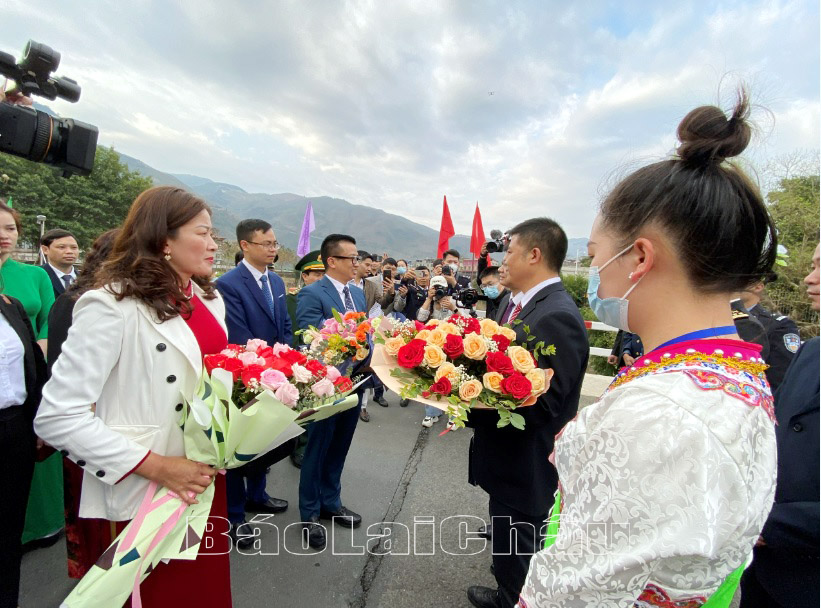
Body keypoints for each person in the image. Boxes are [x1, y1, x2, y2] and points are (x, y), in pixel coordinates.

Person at [519, 93, 778, 607]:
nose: (593, 274)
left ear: (638, 256)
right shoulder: (731, 370)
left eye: (594, 255)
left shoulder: (663, 413)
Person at [34, 186, 232, 605]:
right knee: (150, 595)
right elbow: (57, 416)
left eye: (214, 234)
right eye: (203, 232)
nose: (214, 244)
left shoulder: (210, 299)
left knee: (201, 592)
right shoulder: (110, 305)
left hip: (203, 482)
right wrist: (158, 466)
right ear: (164, 239)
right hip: (145, 484)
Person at [465, 218, 589, 608]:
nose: (501, 261)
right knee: (507, 535)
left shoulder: (555, 315)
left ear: (535, 255)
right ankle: (506, 586)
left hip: (526, 460)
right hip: (504, 455)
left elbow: (545, 405)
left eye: (510, 251)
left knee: (520, 546)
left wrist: (470, 404)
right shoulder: (511, 302)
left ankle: (512, 598)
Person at [739, 243, 819, 607]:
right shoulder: (811, 352)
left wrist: (771, 525)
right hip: (766, 576)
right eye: (813, 265)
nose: (809, 278)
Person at [44, 229, 119, 578]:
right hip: (88, 431)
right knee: (90, 516)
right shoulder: (75, 302)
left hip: (119, 430)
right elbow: (60, 370)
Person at [215, 219, 292, 548]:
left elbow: (284, 325)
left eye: (275, 244)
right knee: (239, 445)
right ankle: (233, 516)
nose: (274, 250)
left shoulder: (275, 282)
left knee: (265, 441)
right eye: (267, 244)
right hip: (246, 375)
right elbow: (239, 334)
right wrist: (264, 366)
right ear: (245, 246)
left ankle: (257, 495)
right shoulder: (229, 284)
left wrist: (287, 361)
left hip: (276, 371)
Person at [296, 234, 367, 550]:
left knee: (340, 445)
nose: (357, 263)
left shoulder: (358, 295)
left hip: (355, 383)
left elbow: (365, 334)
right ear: (332, 261)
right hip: (326, 386)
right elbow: (311, 339)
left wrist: (372, 353)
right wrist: (349, 349)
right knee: (319, 446)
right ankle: (309, 513)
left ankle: (331, 501)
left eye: (357, 257)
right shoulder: (312, 294)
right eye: (351, 258)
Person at [0, 199, 62, 549]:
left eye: (10, 228)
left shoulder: (33, 276)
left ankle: (38, 527)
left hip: (28, 380)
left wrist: (34, 353)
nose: (4, 236)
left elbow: (47, 322)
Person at [0, 256, 48, 608]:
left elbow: (33, 363)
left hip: (15, 428)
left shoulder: (11, 307)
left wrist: (39, 421)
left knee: (7, 532)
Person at [288, 250, 326, 467]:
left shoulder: (325, 296)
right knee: (299, 404)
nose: (321, 279)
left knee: (317, 404)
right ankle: (298, 448)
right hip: (297, 357)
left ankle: (310, 445)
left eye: (324, 274)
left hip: (322, 357)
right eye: (317, 274)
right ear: (305, 276)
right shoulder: (291, 299)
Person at [741, 275, 801, 391]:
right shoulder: (717, 319)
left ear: (758, 286)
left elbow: (781, 380)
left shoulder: (778, 326)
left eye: (740, 279)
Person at [40, 228, 80, 299]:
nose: (69, 251)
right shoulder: (37, 276)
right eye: (62, 247)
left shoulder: (87, 279)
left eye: (74, 247)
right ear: (45, 250)